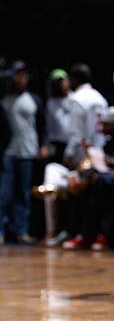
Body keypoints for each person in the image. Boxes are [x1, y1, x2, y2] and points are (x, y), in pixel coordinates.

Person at [0, 61, 46, 245]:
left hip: (28, 152)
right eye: (17, 75)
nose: (21, 78)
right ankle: (2, 231)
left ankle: (22, 230)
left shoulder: (34, 99)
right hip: (8, 152)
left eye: (23, 75)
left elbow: (42, 125)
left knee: (23, 195)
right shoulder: (4, 99)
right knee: (4, 194)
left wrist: (43, 145)